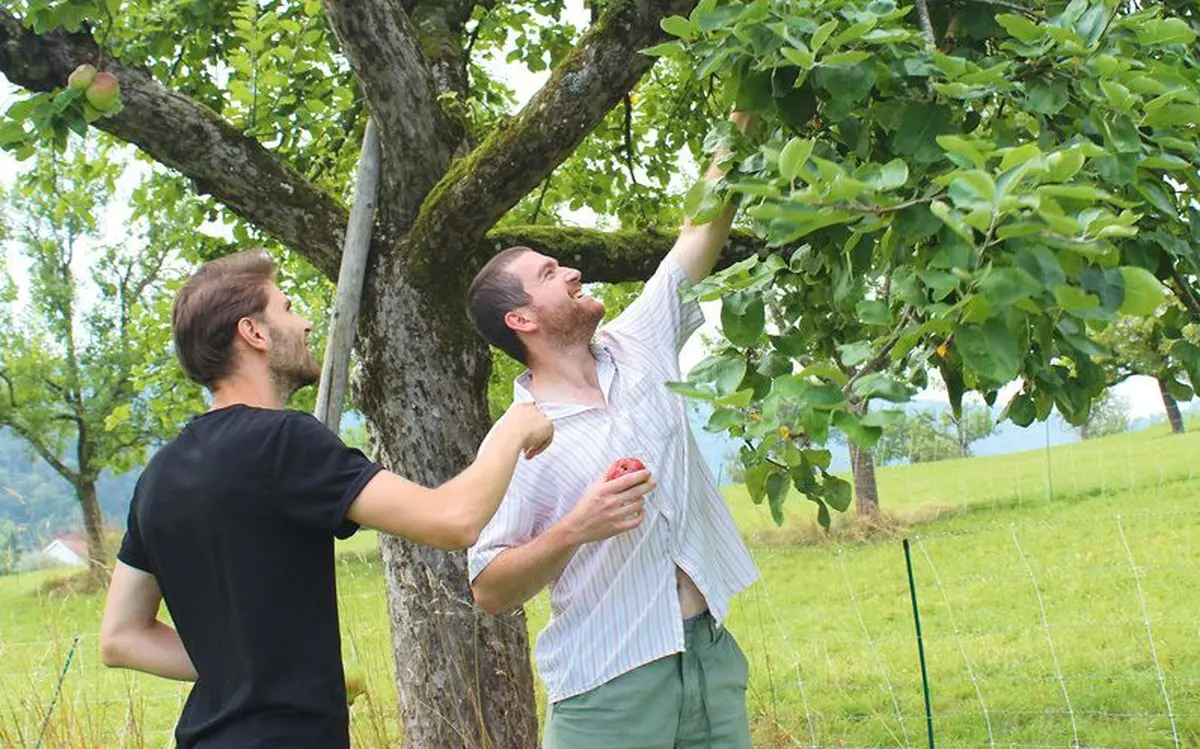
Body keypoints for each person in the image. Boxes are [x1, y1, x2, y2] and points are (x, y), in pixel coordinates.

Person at [99, 250, 553, 749]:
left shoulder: (158, 476)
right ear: (253, 333)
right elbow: (452, 520)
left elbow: (121, 637)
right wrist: (513, 428)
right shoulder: (283, 440)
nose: (306, 324)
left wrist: (246, 670)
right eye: (288, 309)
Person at [465, 111, 759, 748]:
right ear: (521, 320)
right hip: (607, 689)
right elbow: (488, 586)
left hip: (708, 658)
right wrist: (578, 526)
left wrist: (744, 110)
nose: (572, 272)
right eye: (549, 274)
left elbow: (699, 229)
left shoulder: (641, 342)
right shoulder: (519, 438)